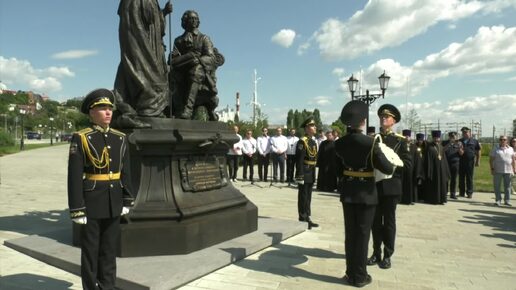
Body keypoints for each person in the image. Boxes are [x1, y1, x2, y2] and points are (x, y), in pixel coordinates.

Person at [68, 88, 135, 290]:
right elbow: (74, 177)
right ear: (91, 113)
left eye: (109, 108)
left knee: (109, 250)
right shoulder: (81, 138)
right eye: (102, 108)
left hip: (114, 200)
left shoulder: (120, 138)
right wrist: (77, 209)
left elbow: (126, 173)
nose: (108, 112)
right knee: (90, 251)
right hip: (91, 202)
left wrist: (127, 199)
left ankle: (107, 286)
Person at [335, 100, 397, 288]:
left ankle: (349, 272)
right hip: (367, 194)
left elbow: (338, 171)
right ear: (363, 121)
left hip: (348, 193)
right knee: (362, 235)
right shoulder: (371, 143)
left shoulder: (339, 144)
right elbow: (387, 167)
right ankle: (360, 276)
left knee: (350, 234)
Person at [113, 0, 172, 128]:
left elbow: (155, 24)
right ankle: (147, 108)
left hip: (149, 44)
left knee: (150, 71)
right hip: (141, 44)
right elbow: (147, 16)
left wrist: (164, 13)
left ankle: (147, 108)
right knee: (148, 72)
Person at [368, 104, 411, 269]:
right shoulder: (373, 139)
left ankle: (387, 255)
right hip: (375, 186)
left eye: (387, 117)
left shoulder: (400, 141)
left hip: (391, 186)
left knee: (389, 222)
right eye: (381, 116)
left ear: (393, 121)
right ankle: (376, 252)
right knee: (375, 221)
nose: (383, 119)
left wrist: (389, 164)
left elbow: (407, 164)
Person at [170, 10, 224, 120]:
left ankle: (188, 109)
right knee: (171, 73)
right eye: (191, 18)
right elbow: (173, 59)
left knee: (196, 71)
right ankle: (178, 108)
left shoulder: (204, 38)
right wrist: (188, 58)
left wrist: (198, 60)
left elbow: (211, 57)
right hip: (182, 69)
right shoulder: (178, 41)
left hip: (201, 71)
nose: (194, 21)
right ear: (185, 21)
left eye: (196, 18)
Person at [295, 117, 319, 229]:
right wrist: (299, 175)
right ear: (307, 128)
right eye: (312, 126)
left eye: (314, 126)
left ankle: (307, 217)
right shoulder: (302, 141)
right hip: (304, 171)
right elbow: (299, 160)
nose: (315, 127)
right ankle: (302, 218)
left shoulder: (313, 141)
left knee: (308, 196)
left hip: (311, 171)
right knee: (303, 196)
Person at [422, 130, 450, 204]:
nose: (436, 139)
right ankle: (433, 199)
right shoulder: (429, 147)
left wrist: (446, 170)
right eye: (435, 138)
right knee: (434, 184)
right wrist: (429, 171)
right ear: (433, 138)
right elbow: (427, 160)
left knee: (441, 184)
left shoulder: (441, 147)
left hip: (441, 170)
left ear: (439, 138)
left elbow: (444, 160)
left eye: (438, 138)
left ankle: (441, 199)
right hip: (433, 170)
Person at [489, 135, 516, 206]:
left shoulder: (510, 149)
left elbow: (513, 160)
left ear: (507, 141)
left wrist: (514, 169)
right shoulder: (495, 148)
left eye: (504, 139)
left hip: (508, 170)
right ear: (499, 140)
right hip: (497, 170)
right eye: (501, 139)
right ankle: (498, 200)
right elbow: (491, 160)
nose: (502, 141)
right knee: (497, 186)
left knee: (508, 187)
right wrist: (492, 169)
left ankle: (507, 200)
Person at [458, 127, 481, 198]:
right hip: (461, 162)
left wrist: (478, 160)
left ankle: (469, 192)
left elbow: (478, 151)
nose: (464, 134)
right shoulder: (459, 141)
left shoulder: (474, 141)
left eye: (466, 132)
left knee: (469, 178)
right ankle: (461, 192)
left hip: (470, 162)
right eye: (463, 132)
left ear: (470, 133)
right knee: (461, 178)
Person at [443, 132, 461, 199]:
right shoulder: (445, 142)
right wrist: (449, 143)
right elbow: (442, 150)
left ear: (456, 136)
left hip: (455, 163)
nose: (453, 137)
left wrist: (459, 147)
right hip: (446, 163)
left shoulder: (459, 143)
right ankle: (445, 192)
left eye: (454, 136)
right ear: (449, 136)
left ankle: (452, 193)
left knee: (454, 179)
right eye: (451, 136)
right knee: (446, 178)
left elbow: (461, 153)